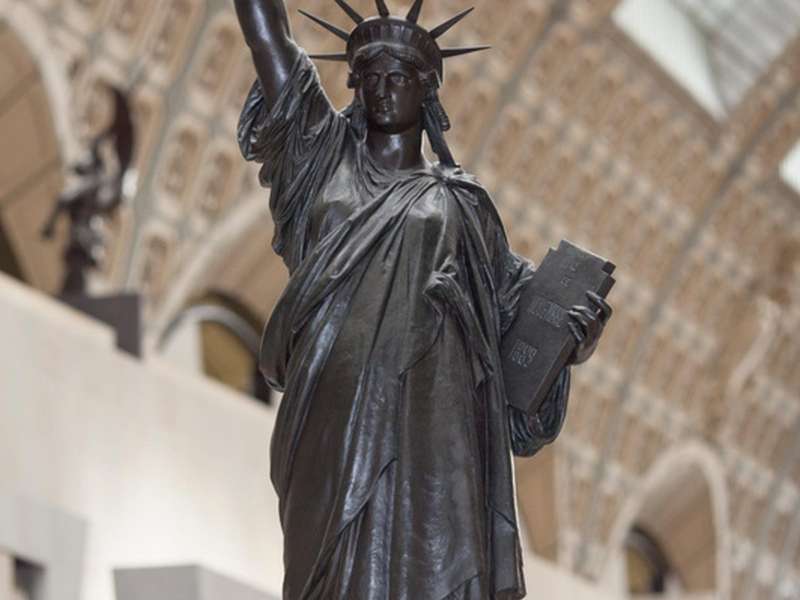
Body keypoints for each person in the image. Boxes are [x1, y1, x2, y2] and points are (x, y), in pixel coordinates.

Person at [233, 1, 612, 598]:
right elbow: (268, 38)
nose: (384, 89)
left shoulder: (464, 208)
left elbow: (516, 352)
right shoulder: (319, 160)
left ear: (427, 90)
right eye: (371, 77)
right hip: (331, 409)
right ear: (354, 87)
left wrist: (571, 344)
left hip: (436, 427)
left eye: (400, 77)